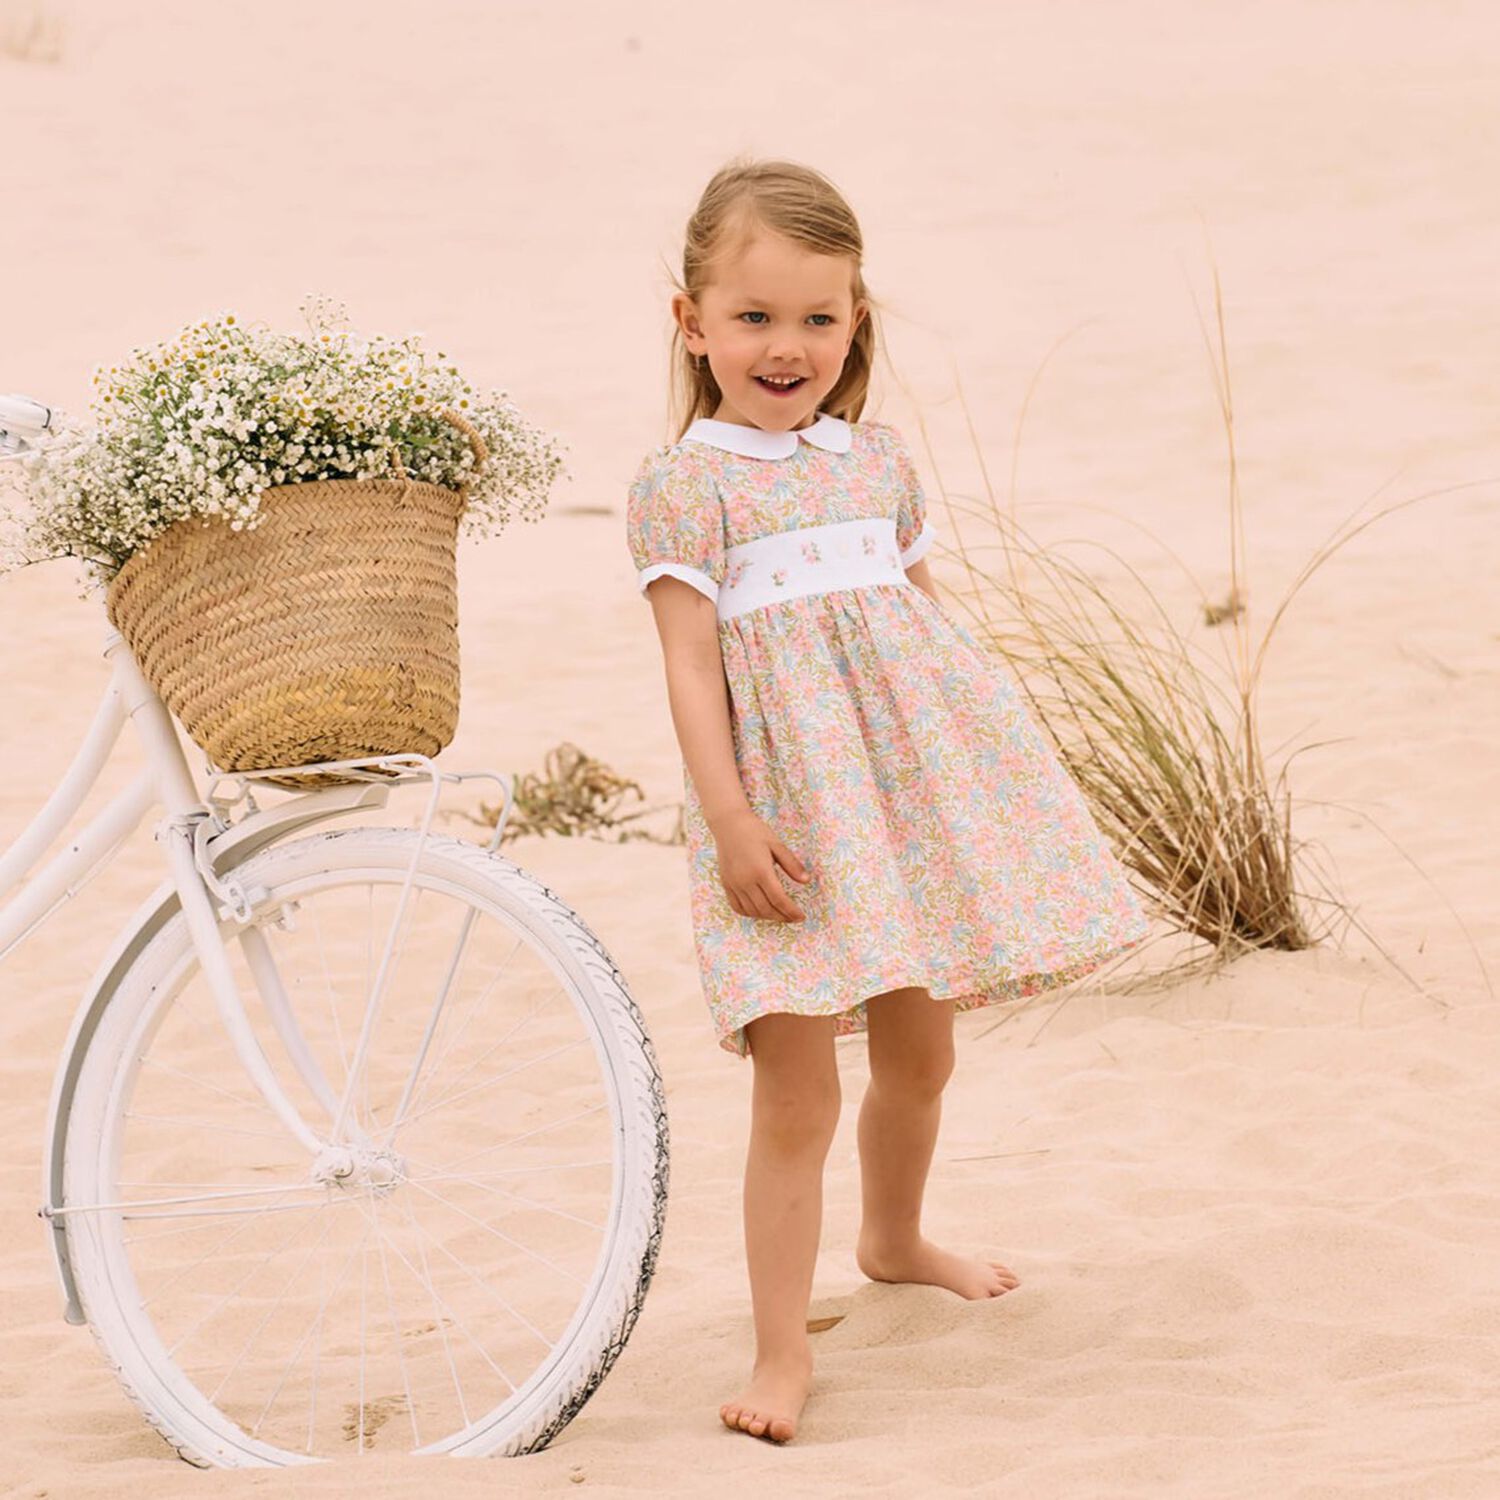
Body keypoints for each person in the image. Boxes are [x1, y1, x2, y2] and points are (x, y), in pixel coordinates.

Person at [624, 157, 1151, 1445]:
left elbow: (923, 625)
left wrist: (987, 765)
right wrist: (733, 819)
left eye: (818, 316)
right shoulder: (686, 485)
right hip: (791, 821)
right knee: (795, 1091)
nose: (786, 346)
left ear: (857, 319)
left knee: (923, 1052)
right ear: (691, 323)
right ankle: (779, 1349)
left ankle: (896, 1234)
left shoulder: (877, 464)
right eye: (752, 317)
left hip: (908, 804)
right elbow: (693, 664)